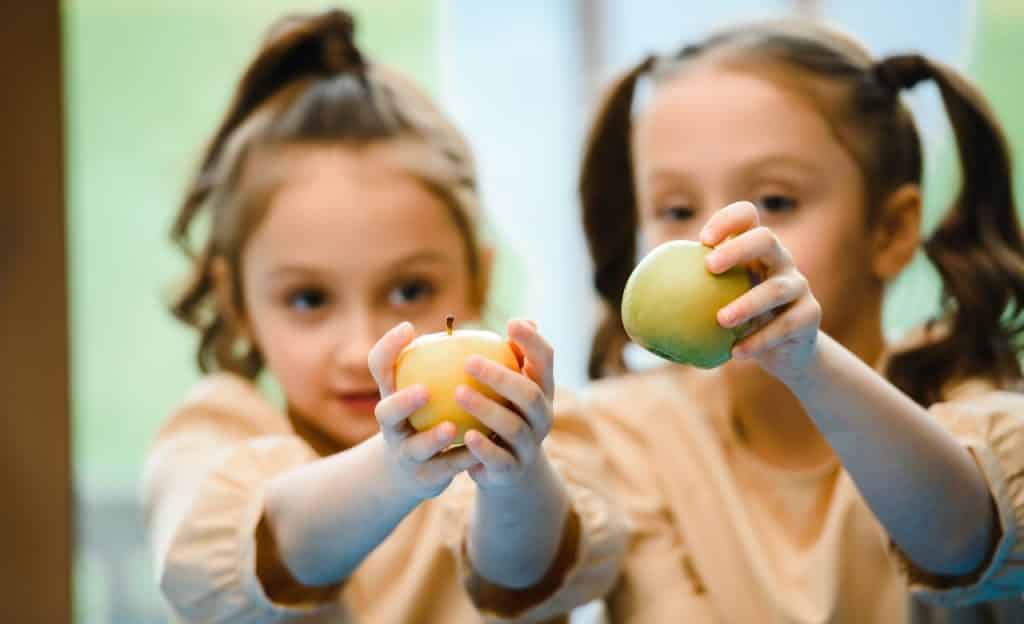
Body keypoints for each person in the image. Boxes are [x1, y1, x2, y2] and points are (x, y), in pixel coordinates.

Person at [142, 9, 624, 623]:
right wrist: (397, 472)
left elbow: (528, 572)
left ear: (476, 277)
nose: (363, 348)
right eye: (309, 300)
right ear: (236, 302)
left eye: (410, 290)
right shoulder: (215, 431)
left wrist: (515, 479)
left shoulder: (533, 432)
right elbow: (235, 556)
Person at [573, 18, 1024, 622]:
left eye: (777, 202)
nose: (717, 244)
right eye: (676, 209)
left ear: (890, 231)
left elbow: (958, 542)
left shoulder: (969, 412)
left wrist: (810, 365)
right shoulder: (625, 434)